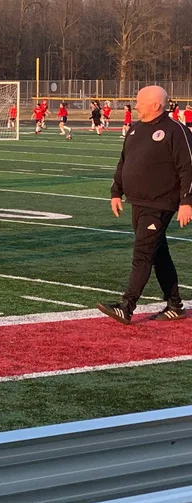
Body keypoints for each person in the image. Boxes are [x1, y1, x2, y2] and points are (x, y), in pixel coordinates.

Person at [98, 85, 192, 324]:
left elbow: (188, 167)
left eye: (139, 101)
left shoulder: (175, 130)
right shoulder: (135, 129)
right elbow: (123, 162)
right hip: (137, 201)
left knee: (142, 254)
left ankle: (126, 306)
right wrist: (116, 192)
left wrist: (186, 201)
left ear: (156, 105)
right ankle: (175, 305)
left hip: (160, 203)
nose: (135, 105)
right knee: (158, 253)